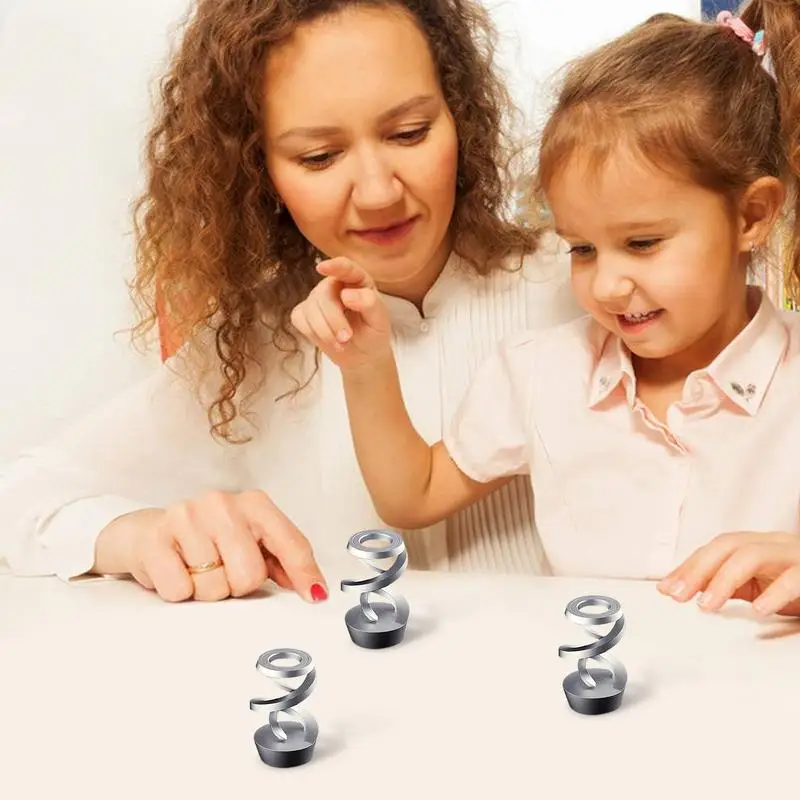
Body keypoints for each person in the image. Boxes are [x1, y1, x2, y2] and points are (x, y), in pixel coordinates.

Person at [0, 0, 581, 602]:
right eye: (319, 157)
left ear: (459, 116)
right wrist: (139, 535)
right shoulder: (250, 348)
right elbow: (20, 496)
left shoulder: (587, 287)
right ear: (258, 171)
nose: (379, 193)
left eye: (409, 133)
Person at [292, 2, 800, 618]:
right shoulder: (543, 373)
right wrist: (365, 363)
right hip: (589, 695)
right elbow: (413, 494)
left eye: (643, 243)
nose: (608, 284)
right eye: (582, 248)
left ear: (751, 216)